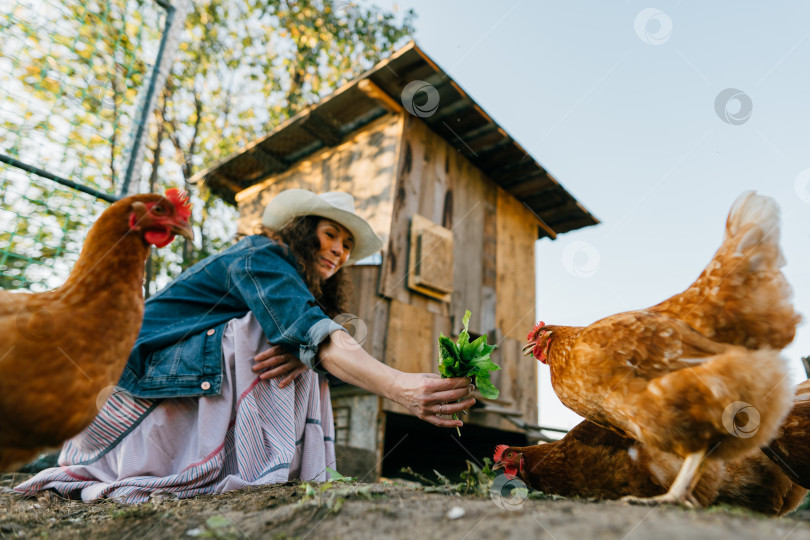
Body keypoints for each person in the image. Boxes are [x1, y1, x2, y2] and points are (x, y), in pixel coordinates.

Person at [15, 189, 475, 503]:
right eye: (331, 233)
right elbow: (310, 331)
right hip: (136, 388)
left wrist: (308, 348)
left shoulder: (288, 280)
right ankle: (251, 468)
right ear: (300, 229)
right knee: (274, 331)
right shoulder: (261, 255)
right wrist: (400, 386)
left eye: (348, 244)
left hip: (154, 381)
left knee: (304, 343)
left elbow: (319, 342)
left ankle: (254, 462)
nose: (339, 250)